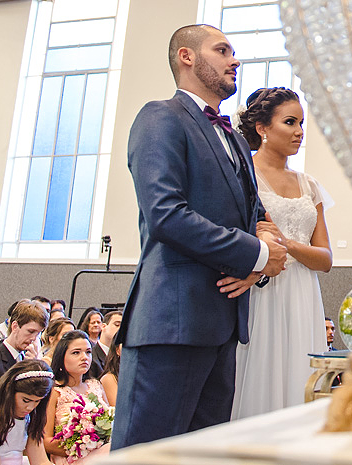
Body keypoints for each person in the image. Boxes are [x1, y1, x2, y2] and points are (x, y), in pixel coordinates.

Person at [112, 24, 286, 449]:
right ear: (187, 57)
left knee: (202, 454)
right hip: (171, 322)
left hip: (224, 324)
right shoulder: (160, 117)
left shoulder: (235, 139)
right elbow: (166, 215)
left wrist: (257, 264)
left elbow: (255, 216)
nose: (235, 60)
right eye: (222, 50)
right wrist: (256, 254)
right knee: (144, 455)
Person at [231, 87, 333, 419]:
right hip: (262, 288)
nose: (299, 131)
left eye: (301, 123)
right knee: (261, 375)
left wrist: (288, 243)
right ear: (262, 127)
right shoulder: (243, 177)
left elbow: (326, 259)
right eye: (290, 122)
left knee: (298, 378)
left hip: (303, 293)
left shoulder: (310, 185)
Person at [43, 331, 109, 464]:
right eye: (76, 353)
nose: (84, 357)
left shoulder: (96, 385)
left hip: (101, 453)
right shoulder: (54, 392)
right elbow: (45, 441)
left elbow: (110, 422)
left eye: (88, 352)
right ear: (62, 357)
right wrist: (82, 448)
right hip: (70, 457)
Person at [0, 302, 48, 392]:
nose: (33, 338)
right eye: (30, 331)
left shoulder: (30, 358)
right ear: (15, 326)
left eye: (38, 333)